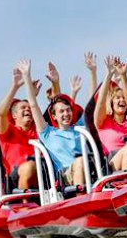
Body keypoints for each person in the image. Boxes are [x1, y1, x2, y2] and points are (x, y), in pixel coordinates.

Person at [17, 59, 87, 189]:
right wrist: (27, 76)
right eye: (61, 111)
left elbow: (92, 107)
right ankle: (82, 198)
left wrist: (94, 72)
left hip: (87, 169)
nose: (66, 114)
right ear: (54, 115)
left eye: (68, 110)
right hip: (65, 176)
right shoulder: (48, 133)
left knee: (83, 162)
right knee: (80, 162)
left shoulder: (79, 128)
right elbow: (33, 105)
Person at [0, 65, 39, 190]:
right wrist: (15, 86)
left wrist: (33, 97)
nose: (28, 110)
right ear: (14, 115)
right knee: (30, 167)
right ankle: (23, 203)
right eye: (23, 108)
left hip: (41, 172)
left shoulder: (36, 131)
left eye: (29, 108)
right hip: (16, 175)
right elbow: (0, 114)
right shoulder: (8, 131)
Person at [93, 57, 127, 172]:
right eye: (118, 98)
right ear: (111, 102)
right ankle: (126, 183)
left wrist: (123, 76)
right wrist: (109, 76)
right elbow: (100, 104)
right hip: (112, 164)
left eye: (124, 98)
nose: (122, 101)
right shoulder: (103, 121)